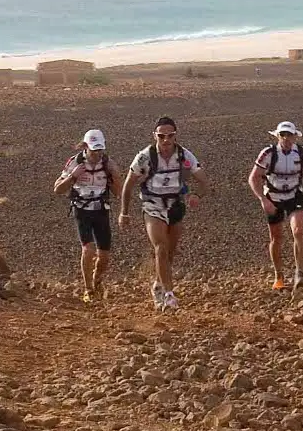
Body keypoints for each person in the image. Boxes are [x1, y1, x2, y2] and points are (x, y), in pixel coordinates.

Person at [119, 116, 210, 311]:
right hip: (153, 206)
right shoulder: (145, 157)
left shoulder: (185, 156)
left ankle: (158, 285)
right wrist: (124, 213)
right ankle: (169, 295)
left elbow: (203, 181)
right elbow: (128, 185)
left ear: (176, 135)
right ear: (155, 136)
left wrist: (197, 195)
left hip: (175, 205)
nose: (166, 140)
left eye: (170, 135)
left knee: (170, 252)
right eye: (161, 136)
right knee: (160, 247)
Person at [248, 120, 303, 290]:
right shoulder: (268, 153)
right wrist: (263, 200)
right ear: (278, 136)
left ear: (295, 137)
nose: (286, 138)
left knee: (299, 230)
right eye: (283, 135)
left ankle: (300, 273)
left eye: (290, 135)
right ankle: (278, 275)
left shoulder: (302, 153)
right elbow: (254, 177)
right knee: (276, 237)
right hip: (273, 197)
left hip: (294, 195)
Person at [53, 128, 122, 303]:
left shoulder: (107, 164)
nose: (97, 154)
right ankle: (88, 289)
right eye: (94, 150)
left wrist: (114, 175)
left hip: (101, 209)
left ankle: (97, 280)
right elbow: (58, 189)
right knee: (88, 249)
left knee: (104, 255)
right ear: (85, 147)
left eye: (100, 150)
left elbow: (118, 193)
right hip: (82, 209)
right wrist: (73, 177)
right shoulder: (74, 162)